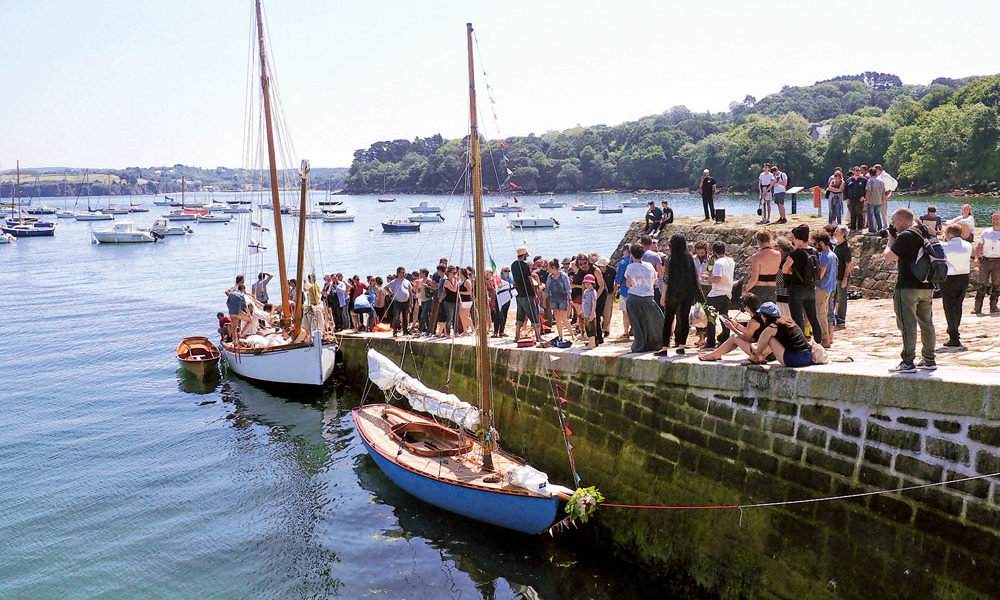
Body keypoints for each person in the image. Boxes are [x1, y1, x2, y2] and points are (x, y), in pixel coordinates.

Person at [883, 208, 936, 372]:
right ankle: (929, 359)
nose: (894, 225)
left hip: (907, 287)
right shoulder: (928, 231)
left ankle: (908, 362)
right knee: (927, 323)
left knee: (907, 325)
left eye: (894, 222)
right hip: (927, 285)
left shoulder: (906, 235)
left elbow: (888, 258)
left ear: (901, 220)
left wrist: (890, 239)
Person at [657, 233, 700, 355]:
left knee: (668, 319)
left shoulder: (670, 258)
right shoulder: (689, 258)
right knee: (684, 319)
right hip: (687, 293)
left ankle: (664, 347)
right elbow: (694, 277)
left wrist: (663, 295)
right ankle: (681, 346)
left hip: (673, 293)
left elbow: (666, 279)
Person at [783, 224, 823, 343]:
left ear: (798, 239)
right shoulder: (814, 251)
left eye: (794, 238)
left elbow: (785, 269)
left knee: (798, 317)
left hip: (796, 289)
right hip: (810, 288)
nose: (793, 241)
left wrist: (791, 272)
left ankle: (801, 344)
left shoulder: (796, 254)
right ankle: (819, 343)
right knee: (813, 317)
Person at [624, 244, 663, 353]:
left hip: (634, 296)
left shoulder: (631, 267)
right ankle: (652, 343)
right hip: (649, 297)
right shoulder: (650, 266)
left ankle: (639, 345)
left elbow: (628, 283)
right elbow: (655, 281)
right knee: (649, 322)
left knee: (636, 323)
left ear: (632, 254)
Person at [941, 223, 972, 349]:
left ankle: (953, 336)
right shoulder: (968, 245)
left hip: (950, 278)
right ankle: (954, 330)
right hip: (964, 276)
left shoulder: (945, 246)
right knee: (958, 305)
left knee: (949, 307)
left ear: (949, 234)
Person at [700, 241, 735, 350]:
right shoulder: (730, 261)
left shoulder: (719, 263)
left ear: (714, 251)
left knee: (711, 319)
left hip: (716, 294)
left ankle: (710, 341)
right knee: (724, 317)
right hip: (727, 293)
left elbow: (717, 279)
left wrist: (706, 278)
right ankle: (725, 339)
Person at [571, 253, 605, 345]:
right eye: (580, 264)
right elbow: (583, 286)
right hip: (588, 294)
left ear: (588, 262)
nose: (583, 266)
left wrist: (595, 298)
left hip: (599, 293)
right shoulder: (582, 272)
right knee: (588, 317)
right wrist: (584, 299)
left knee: (595, 316)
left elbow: (602, 286)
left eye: (584, 263)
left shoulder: (595, 270)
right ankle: (592, 339)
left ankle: (597, 339)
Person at [511, 246, 543, 344]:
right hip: (526, 293)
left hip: (518, 293)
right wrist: (534, 290)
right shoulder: (524, 265)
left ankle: (517, 336)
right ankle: (538, 337)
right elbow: (529, 279)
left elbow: (515, 280)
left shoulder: (513, 265)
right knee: (533, 315)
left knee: (520, 314)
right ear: (524, 254)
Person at [813, 232, 837, 348]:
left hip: (822, 288)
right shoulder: (832, 255)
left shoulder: (824, 257)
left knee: (820, 314)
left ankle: (825, 339)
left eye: (816, 243)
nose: (815, 246)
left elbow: (820, 275)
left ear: (821, 243)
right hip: (829, 288)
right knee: (826, 313)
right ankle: (828, 338)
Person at [974, 211, 1000, 314]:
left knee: (996, 284)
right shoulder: (986, 232)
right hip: (986, 261)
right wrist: (977, 257)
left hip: (998, 261)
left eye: (997, 219)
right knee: (981, 284)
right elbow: (979, 246)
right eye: (994, 219)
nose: (995, 221)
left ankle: (993, 306)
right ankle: (977, 307)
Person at [745, 228, 781, 304]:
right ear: (769, 239)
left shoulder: (756, 257)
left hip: (759, 289)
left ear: (758, 241)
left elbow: (754, 279)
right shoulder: (778, 254)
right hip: (773, 289)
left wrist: (746, 289)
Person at [544, 259, 573, 346]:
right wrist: (544, 299)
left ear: (554, 267)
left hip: (563, 298)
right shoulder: (550, 276)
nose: (548, 269)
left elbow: (568, 289)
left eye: (549, 267)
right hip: (554, 298)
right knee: (557, 319)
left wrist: (570, 300)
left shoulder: (563, 276)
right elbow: (547, 289)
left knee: (564, 318)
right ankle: (561, 336)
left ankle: (572, 334)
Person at [832, 226, 853, 328]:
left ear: (843, 234)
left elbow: (848, 264)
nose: (835, 232)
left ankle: (841, 319)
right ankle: (835, 316)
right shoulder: (837, 246)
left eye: (837, 231)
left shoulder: (846, 247)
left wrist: (845, 278)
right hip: (835, 276)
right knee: (835, 298)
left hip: (841, 277)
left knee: (842, 298)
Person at [385, 266, 412, 336]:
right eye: (402, 273)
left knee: (405, 317)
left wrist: (411, 302)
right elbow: (386, 287)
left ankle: (405, 331)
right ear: (398, 273)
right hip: (398, 301)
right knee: (396, 317)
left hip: (406, 301)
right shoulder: (395, 281)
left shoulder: (407, 281)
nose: (403, 274)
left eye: (404, 273)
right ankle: (395, 331)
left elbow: (410, 292)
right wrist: (391, 293)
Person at [615, 244, 633, 338]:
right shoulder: (636, 260)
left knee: (625, 312)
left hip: (625, 290)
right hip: (636, 290)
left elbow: (618, 278)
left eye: (623, 251)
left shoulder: (623, 262)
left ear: (626, 251)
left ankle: (626, 332)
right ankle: (634, 330)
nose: (622, 252)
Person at [844, 166, 867, 232]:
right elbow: (845, 190)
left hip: (859, 200)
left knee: (859, 214)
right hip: (851, 200)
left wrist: (864, 197)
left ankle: (860, 228)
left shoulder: (864, 180)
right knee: (852, 214)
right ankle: (853, 228)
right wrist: (846, 199)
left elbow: (867, 190)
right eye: (856, 170)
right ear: (853, 171)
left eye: (859, 170)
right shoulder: (849, 180)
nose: (858, 172)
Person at [864, 167, 886, 234]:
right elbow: (883, 192)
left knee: (870, 215)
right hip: (879, 201)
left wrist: (866, 200)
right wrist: (882, 200)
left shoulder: (870, 180)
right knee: (878, 215)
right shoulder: (881, 180)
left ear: (870, 173)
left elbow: (868, 191)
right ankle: (880, 229)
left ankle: (871, 230)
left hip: (871, 201)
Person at [494, 266, 514, 337]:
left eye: (509, 271)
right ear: (502, 271)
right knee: (498, 314)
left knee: (505, 314)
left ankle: (502, 331)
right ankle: (495, 331)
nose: (507, 272)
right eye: (506, 271)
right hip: (499, 298)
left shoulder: (510, 279)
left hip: (507, 298)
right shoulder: (499, 278)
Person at [581, 275, 598, 349]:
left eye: (588, 283)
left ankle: (591, 344)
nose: (587, 285)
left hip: (591, 314)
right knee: (587, 328)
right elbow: (583, 301)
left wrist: (592, 314)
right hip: (586, 314)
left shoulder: (593, 292)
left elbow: (594, 303)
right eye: (585, 283)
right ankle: (592, 343)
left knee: (592, 330)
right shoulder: (585, 291)